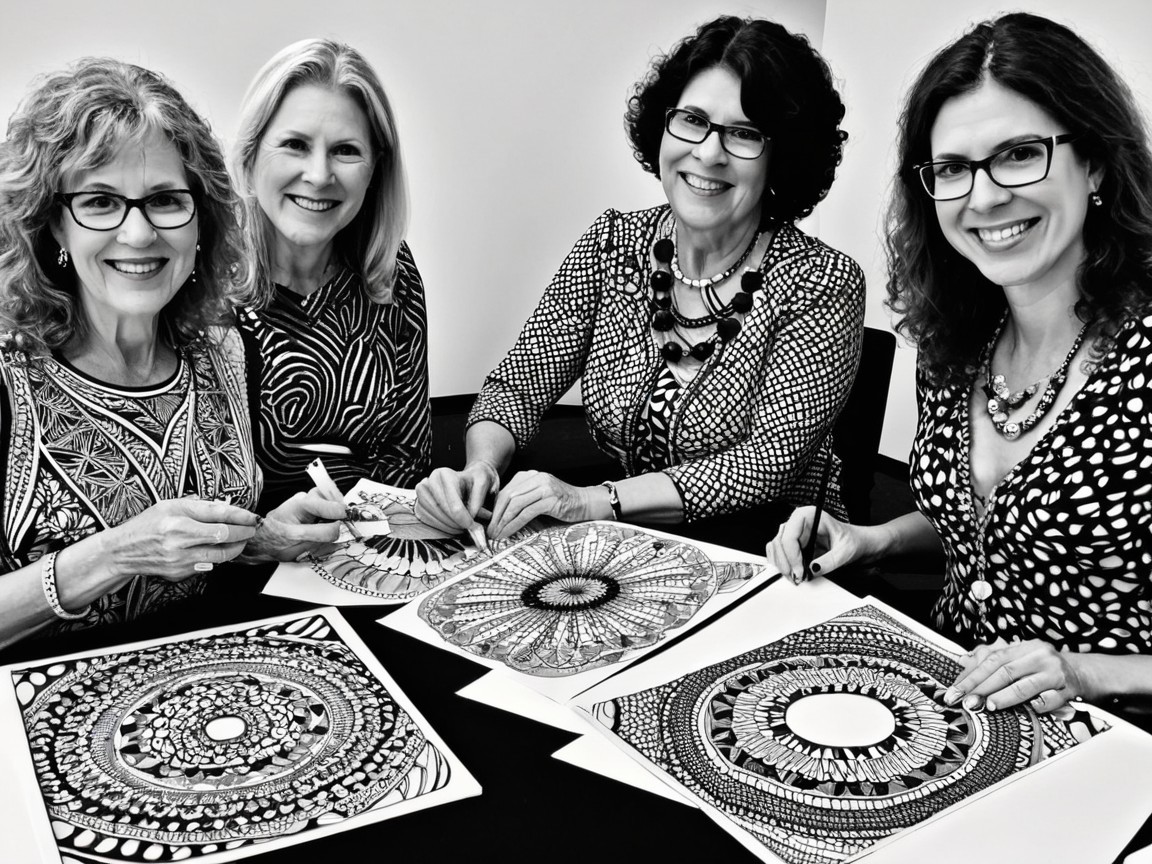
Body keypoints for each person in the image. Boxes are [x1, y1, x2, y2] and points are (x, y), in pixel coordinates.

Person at [768, 12, 1152, 716]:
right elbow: (986, 529)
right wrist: (870, 540)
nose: (984, 196)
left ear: (1095, 160)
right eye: (952, 169)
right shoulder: (957, 343)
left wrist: (1082, 671)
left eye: (1020, 154)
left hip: (1115, 739)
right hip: (946, 709)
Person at [416, 16, 864, 552]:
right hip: (631, 546)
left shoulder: (823, 282)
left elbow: (763, 465)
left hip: (771, 554)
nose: (709, 152)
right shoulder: (613, 244)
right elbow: (518, 386)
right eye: (692, 120)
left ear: (782, 156)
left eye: (744, 133)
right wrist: (482, 469)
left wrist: (591, 501)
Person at [0, 58, 344, 649]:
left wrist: (257, 540)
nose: (138, 235)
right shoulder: (8, 376)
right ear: (53, 224)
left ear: (200, 220)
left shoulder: (228, 353)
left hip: (217, 684)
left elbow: (192, 566)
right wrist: (113, 554)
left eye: (164, 200)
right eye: (100, 201)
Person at [231, 39, 431, 508]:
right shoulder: (200, 277)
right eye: (295, 145)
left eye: (345, 150)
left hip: (369, 539)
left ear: (375, 168)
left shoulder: (393, 269)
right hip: (244, 545)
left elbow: (409, 456)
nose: (319, 176)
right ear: (250, 154)